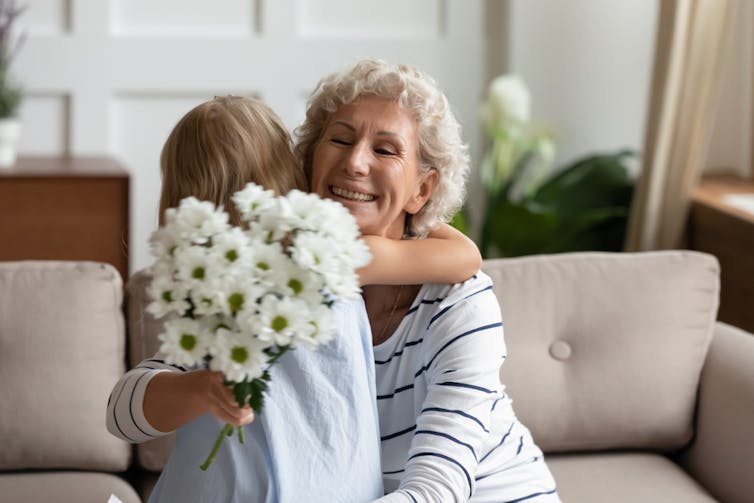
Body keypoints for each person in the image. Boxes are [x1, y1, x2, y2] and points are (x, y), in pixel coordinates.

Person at [106, 95, 482, 502]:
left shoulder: (326, 260)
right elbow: (123, 413)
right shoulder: (211, 302)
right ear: (294, 176)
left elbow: (463, 258)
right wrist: (201, 388)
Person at [295, 59, 560, 502]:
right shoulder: (283, 287)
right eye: (340, 139)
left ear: (422, 190)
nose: (355, 162)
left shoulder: (460, 304)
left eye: (385, 150)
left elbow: (437, 490)